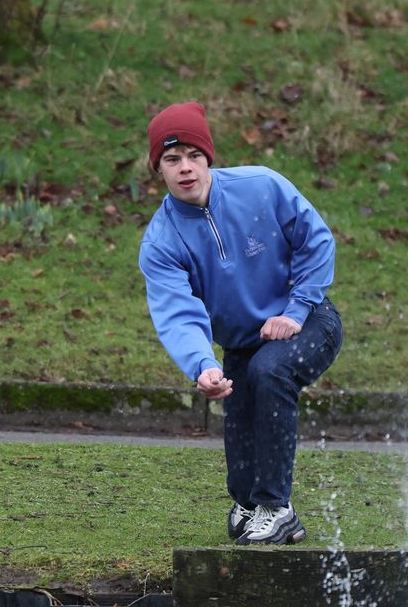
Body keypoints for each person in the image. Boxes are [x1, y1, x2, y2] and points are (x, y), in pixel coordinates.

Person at [138, 102, 343, 543]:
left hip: (312, 320)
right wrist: (201, 365)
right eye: (172, 160)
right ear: (159, 170)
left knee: (270, 371)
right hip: (242, 344)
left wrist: (295, 309)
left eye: (193, 155)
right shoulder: (161, 241)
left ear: (208, 157)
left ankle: (277, 508)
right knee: (239, 399)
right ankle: (250, 502)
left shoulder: (262, 186)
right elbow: (177, 312)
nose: (185, 168)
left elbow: (318, 241)